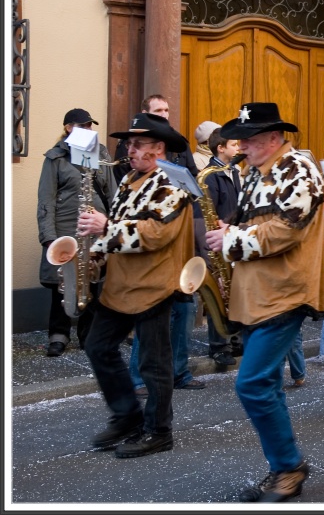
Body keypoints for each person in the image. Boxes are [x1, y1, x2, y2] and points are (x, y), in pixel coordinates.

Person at [204, 102, 324, 502]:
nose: (241, 147)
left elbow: (286, 231)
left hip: (285, 291)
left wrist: (231, 240)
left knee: (253, 382)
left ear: (274, 138)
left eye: (250, 140)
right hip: (260, 290)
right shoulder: (258, 172)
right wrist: (231, 229)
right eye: (240, 140)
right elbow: (260, 223)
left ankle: (289, 466)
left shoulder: (298, 169)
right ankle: (283, 465)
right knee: (266, 383)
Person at [77, 112, 194, 458]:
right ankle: (127, 415)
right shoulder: (129, 179)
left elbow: (156, 233)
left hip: (155, 283)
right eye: (129, 143)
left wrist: (105, 229)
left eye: (138, 143)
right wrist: (90, 258)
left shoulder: (173, 183)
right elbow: (118, 225)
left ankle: (158, 430)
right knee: (98, 346)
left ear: (158, 148)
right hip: (122, 283)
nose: (130, 149)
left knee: (154, 363)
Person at [127, 95, 205, 392]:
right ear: (146, 113)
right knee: (151, 315)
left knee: (185, 309)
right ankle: (138, 378)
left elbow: (194, 187)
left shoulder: (179, 144)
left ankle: (179, 372)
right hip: (155, 244)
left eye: (167, 110)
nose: (165, 114)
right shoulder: (135, 148)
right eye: (158, 111)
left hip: (182, 239)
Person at [38, 108, 116, 357]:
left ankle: (88, 335)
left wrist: (113, 227)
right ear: (69, 128)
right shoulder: (55, 158)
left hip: (94, 228)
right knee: (63, 282)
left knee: (93, 280)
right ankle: (58, 335)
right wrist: (48, 237)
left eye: (90, 126)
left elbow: (112, 192)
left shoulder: (100, 153)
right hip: (65, 229)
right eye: (82, 126)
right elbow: (46, 200)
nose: (88, 131)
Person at [201, 128, 243, 367]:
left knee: (233, 292)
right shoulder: (210, 175)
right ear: (221, 148)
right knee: (219, 293)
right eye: (234, 144)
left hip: (233, 238)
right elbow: (211, 210)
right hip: (217, 241)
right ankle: (219, 347)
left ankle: (236, 339)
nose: (238, 148)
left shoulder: (233, 171)